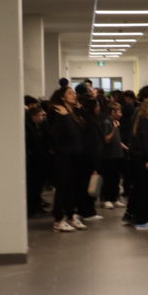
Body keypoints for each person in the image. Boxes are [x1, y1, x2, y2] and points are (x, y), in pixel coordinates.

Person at [47, 84, 87, 232]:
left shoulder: (74, 111)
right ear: (62, 97)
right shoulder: (58, 112)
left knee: (72, 187)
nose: (74, 95)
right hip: (63, 155)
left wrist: (78, 110)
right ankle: (58, 219)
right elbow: (67, 134)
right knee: (63, 187)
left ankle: (70, 216)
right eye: (70, 93)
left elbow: (85, 128)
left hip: (75, 155)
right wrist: (65, 116)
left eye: (73, 93)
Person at [128, 101, 148, 231]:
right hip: (144, 161)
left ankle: (139, 218)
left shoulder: (138, 122)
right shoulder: (147, 123)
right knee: (144, 191)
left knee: (139, 189)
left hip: (136, 160)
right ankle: (143, 220)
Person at [99, 102, 126, 209]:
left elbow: (117, 140)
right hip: (108, 155)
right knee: (108, 178)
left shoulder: (115, 122)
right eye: (119, 111)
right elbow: (107, 139)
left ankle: (114, 198)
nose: (121, 114)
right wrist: (114, 129)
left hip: (117, 154)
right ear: (112, 112)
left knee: (115, 178)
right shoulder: (107, 122)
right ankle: (107, 199)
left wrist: (125, 147)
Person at [25, 102, 50, 216]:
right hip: (33, 161)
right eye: (40, 115)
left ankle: (37, 206)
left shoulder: (39, 127)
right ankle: (32, 209)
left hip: (40, 160)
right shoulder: (28, 127)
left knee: (38, 187)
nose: (42, 117)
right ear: (33, 116)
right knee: (33, 187)